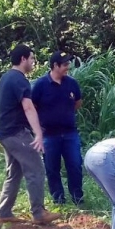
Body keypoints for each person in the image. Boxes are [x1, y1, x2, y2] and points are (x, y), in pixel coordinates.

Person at [0, 44, 60, 224]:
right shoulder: (19, 79)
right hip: (16, 133)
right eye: (31, 58)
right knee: (36, 168)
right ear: (23, 59)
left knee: (14, 172)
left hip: (6, 132)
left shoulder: (7, 77)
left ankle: (4, 212)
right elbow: (28, 107)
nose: (33, 62)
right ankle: (39, 213)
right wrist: (38, 134)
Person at [32, 51, 84, 205]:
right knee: (52, 168)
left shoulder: (71, 83)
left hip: (70, 133)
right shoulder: (40, 85)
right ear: (55, 65)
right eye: (65, 64)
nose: (68, 67)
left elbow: (78, 102)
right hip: (49, 135)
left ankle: (78, 198)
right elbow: (32, 107)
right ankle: (58, 199)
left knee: (75, 165)